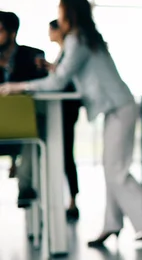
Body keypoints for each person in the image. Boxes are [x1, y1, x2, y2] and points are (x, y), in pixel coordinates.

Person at [0, 0, 142, 246]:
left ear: (70, 12)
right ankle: (112, 225)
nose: (58, 14)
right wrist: (53, 68)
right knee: (112, 168)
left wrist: (18, 87)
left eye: (60, 8)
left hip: (118, 108)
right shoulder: (85, 38)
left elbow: (58, 83)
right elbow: (72, 73)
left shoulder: (77, 40)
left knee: (116, 170)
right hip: (117, 108)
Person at [0, 11, 48, 208]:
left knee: (34, 136)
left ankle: (25, 187)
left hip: (23, 128)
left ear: (12, 33)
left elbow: (43, 84)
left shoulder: (32, 56)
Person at [46, 19, 82, 221]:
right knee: (64, 153)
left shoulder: (70, 49)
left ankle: (72, 200)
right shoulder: (63, 53)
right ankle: (66, 199)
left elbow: (63, 79)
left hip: (66, 109)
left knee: (66, 152)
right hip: (62, 109)